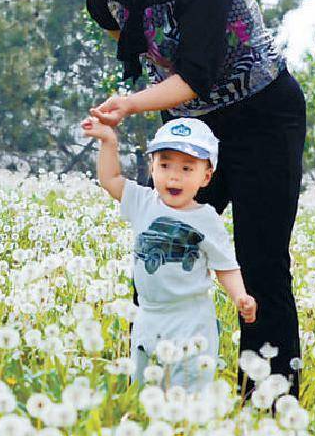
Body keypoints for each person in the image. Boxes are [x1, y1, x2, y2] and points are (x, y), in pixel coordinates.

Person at [39, 0, 307, 395]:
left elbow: (196, 76)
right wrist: (144, 93)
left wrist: (131, 102)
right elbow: (126, 34)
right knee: (162, 244)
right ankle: (162, 390)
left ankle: (270, 406)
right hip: (189, 130)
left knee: (258, 263)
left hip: (260, 118)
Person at [82, 115, 257, 391]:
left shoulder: (207, 220)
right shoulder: (142, 201)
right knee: (144, 390)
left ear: (206, 176)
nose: (174, 176)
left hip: (191, 320)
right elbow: (109, 178)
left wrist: (240, 296)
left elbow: (225, 265)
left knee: (188, 390)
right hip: (148, 316)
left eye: (187, 168)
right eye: (164, 165)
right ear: (152, 167)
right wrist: (108, 140)